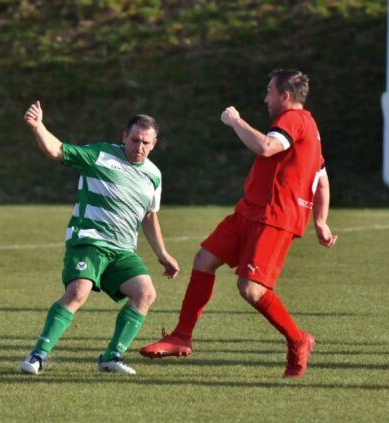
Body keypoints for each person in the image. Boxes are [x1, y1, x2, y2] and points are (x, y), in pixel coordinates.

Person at [140, 69, 338, 379]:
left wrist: (235, 121)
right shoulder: (308, 127)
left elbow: (265, 147)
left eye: (269, 91)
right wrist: (321, 222)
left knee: (251, 289)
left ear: (285, 96)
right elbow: (322, 178)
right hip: (250, 211)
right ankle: (181, 337)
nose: (266, 98)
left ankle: (298, 339)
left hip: (274, 217)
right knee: (204, 260)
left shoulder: (293, 120)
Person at [20, 100, 180, 375]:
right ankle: (38, 355)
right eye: (135, 140)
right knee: (78, 292)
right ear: (124, 136)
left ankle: (111, 357)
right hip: (89, 240)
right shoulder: (100, 155)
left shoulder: (154, 175)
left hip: (122, 250)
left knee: (145, 293)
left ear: (154, 143)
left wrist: (162, 254)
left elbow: (149, 215)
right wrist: (38, 127)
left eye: (145, 142)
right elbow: (57, 150)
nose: (139, 147)